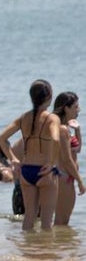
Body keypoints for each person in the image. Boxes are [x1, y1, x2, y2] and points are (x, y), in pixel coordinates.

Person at [0, 80, 62, 231]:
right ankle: (44, 253)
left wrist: (13, 159)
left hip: (26, 171)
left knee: (29, 217)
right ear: (50, 97)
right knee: (46, 222)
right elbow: (56, 139)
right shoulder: (52, 118)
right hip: (45, 171)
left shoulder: (24, 117)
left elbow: (1, 138)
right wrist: (51, 163)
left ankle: (26, 251)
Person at [53, 92, 85, 225]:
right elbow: (66, 159)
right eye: (76, 107)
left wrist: (77, 131)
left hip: (67, 177)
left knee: (64, 221)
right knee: (61, 221)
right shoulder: (62, 130)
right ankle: (55, 245)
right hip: (63, 177)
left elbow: (77, 150)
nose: (79, 110)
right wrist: (80, 180)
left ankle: (62, 245)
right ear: (66, 108)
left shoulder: (66, 129)